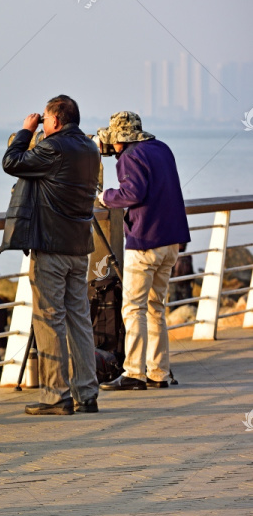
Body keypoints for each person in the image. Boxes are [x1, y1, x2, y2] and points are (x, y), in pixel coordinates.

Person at [1, 95, 100, 415]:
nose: (41, 122)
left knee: (49, 320)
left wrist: (25, 131)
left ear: (56, 120)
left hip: (52, 248)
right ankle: (87, 392)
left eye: (44, 118)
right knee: (80, 320)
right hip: (78, 246)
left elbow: (11, 163)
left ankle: (55, 394)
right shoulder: (90, 148)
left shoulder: (53, 147)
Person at [97, 111, 190, 390]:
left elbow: (133, 193)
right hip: (171, 241)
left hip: (145, 242)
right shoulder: (161, 149)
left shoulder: (130, 156)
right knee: (156, 308)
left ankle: (134, 373)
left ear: (119, 140)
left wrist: (104, 197)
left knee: (134, 308)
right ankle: (159, 372)